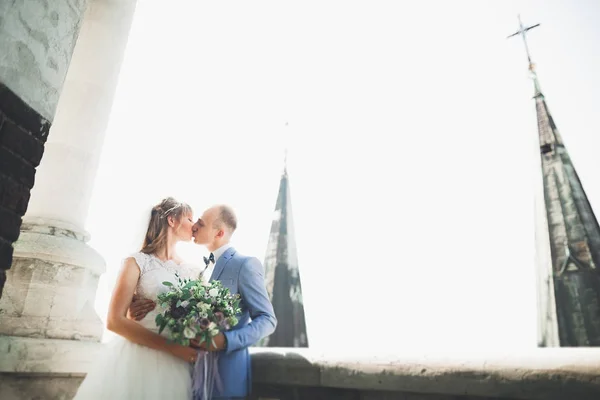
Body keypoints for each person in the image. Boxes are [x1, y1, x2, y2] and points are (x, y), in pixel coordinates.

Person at [130, 204, 277, 400]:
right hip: (191, 376)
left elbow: (268, 319)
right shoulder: (198, 269)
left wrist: (225, 341)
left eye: (201, 223)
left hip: (227, 378)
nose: (195, 227)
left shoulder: (245, 264)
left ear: (219, 233)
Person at [74, 197, 200, 399]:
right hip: (137, 357)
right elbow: (114, 321)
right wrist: (172, 348)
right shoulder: (137, 262)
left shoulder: (193, 271)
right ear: (172, 220)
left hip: (179, 364)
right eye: (190, 218)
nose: (194, 225)